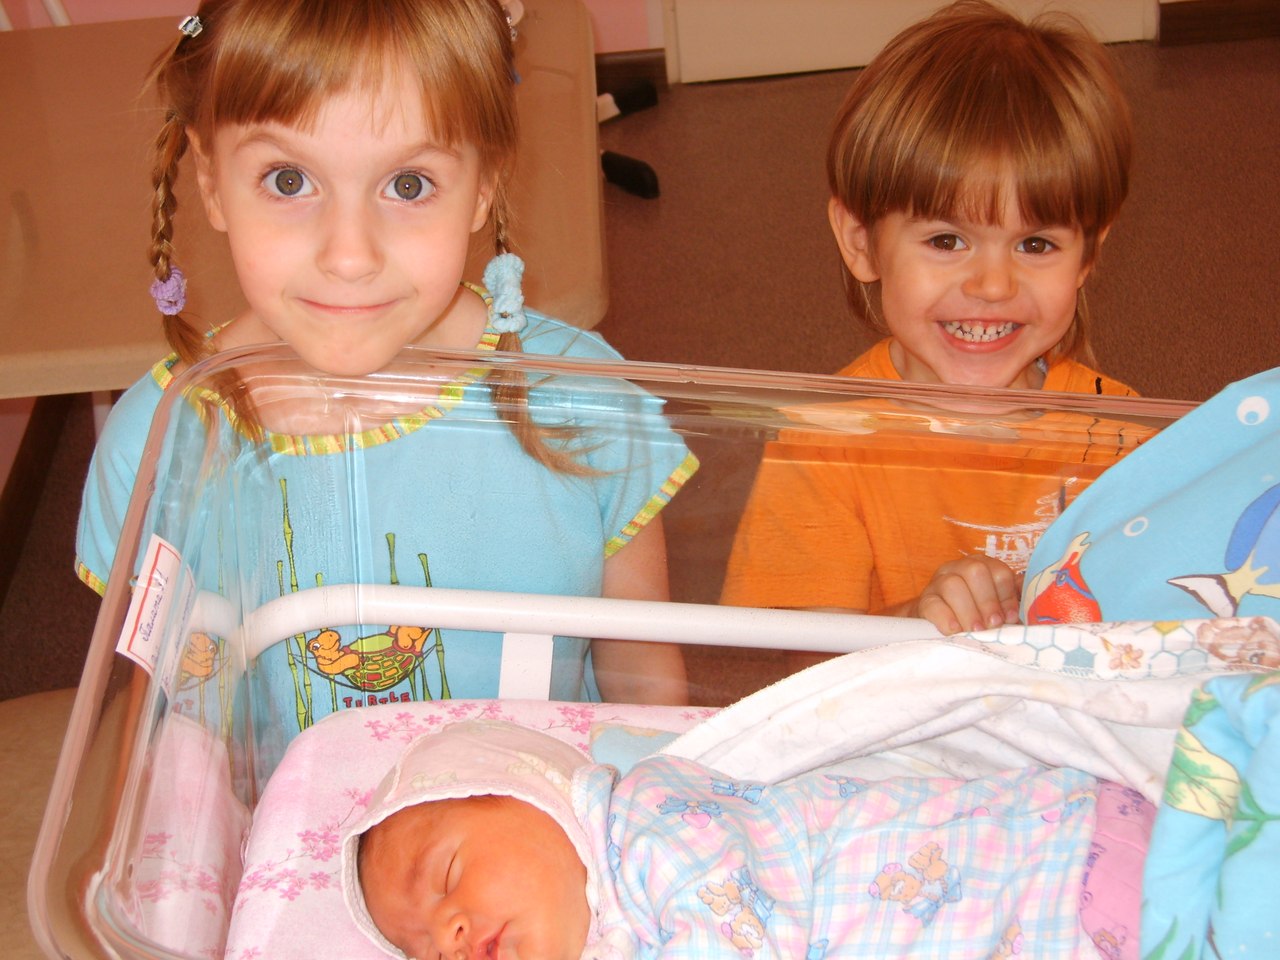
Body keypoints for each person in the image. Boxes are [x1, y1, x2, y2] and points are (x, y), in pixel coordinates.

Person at [74, 0, 697, 731]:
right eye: (287, 180)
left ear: (484, 185)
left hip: (541, 797)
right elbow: (169, 731)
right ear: (210, 182)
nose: (350, 256)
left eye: (408, 184)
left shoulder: (581, 404)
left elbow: (647, 693)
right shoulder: (157, 448)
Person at [721, 0, 1146, 643]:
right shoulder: (824, 442)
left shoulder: (1126, 437)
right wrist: (914, 623)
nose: (993, 285)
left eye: (1036, 244)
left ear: (1088, 256)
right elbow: (802, 660)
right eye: (947, 240)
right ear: (861, 241)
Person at [342, 718, 1129, 959]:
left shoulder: (650, 824)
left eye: (449, 873)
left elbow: (730, 934)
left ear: (540, 796)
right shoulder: (615, 926)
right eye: (423, 953)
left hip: (1056, 866)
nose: (447, 934)